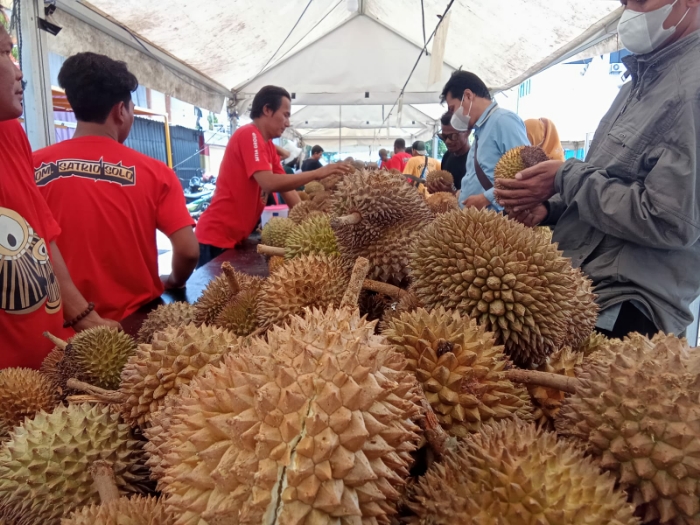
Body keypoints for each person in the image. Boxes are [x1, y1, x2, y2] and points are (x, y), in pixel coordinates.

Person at [495, 0, 700, 339]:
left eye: (640, 1)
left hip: (627, 308)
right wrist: (549, 208)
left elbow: (670, 220)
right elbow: (606, 181)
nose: (629, 13)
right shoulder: (634, 85)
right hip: (579, 288)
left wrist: (566, 177)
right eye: (624, 3)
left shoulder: (692, 90)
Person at [33, 53, 199, 323]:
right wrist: (174, 280)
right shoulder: (155, 172)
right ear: (120, 110)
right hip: (134, 322)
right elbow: (189, 250)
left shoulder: (31, 167)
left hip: (60, 325)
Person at [0, 31, 115, 369]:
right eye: (5, 54)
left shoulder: (10, 132)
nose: (18, 70)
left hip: (55, 367)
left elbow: (41, 236)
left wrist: (83, 317)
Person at [195, 86, 351, 267]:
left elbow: (287, 189)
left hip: (235, 237)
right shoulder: (249, 134)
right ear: (267, 109)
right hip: (215, 238)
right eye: (285, 115)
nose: (288, 122)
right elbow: (268, 183)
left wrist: (314, 222)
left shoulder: (268, 146)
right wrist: (317, 173)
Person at [441, 70, 529, 210]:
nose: (453, 116)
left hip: (497, 224)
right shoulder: (480, 131)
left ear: (468, 96)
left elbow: (526, 173)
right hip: (475, 224)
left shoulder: (503, 121)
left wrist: (485, 198)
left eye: (453, 109)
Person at [438, 111, 471, 190]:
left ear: (467, 132)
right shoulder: (447, 156)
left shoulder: (475, 160)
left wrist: (453, 192)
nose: (447, 141)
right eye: (444, 136)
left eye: (453, 136)